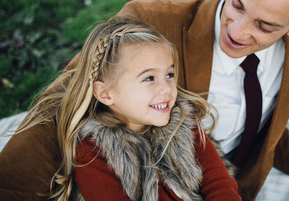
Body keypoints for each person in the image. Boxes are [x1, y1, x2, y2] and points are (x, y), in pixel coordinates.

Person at [0, 0, 289, 200]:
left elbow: (271, 135)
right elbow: (61, 108)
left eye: (265, 26)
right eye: (237, 3)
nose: (236, 30)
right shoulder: (151, 23)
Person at [1, 17, 242, 201]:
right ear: (105, 93)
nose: (167, 89)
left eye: (169, 74)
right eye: (149, 78)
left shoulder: (183, 123)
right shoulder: (92, 152)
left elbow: (219, 182)